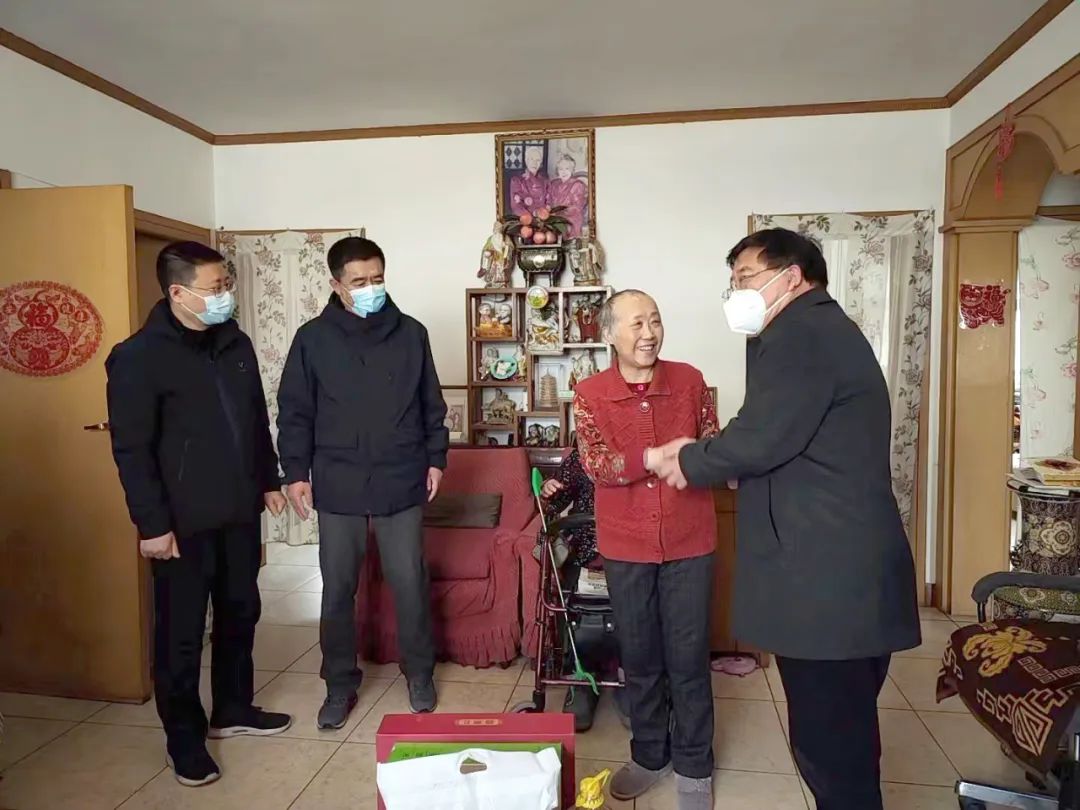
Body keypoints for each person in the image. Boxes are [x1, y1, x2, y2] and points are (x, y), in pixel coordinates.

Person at [646, 228, 922, 810]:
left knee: (832, 750)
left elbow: (761, 438)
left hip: (829, 582)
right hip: (837, 574)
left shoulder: (804, 334)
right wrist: (710, 457)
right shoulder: (812, 331)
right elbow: (770, 430)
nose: (736, 293)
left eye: (745, 278)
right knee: (839, 738)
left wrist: (687, 459)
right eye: (732, 282)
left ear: (791, 276)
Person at [106, 242, 291, 788]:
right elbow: (132, 450)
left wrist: (268, 479)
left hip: (238, 509)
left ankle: (232, 707)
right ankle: (184, 738)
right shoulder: (138, 357)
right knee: (181, 634)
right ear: (178, 293)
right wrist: (152, 524)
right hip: (180, 523)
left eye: (226, 285)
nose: (224, 295)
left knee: (241, 611)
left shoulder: (235, 342)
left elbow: (254, 419)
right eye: (215, 288)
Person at [276, 236, 448, 729]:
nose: (371, 287)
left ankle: (419, 673)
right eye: (359, 281)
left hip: (401, 472)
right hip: (338, 478)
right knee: (337, 587)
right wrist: (296, 473)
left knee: (409, 580)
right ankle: (339, 683)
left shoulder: (411, 334)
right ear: (336, 284)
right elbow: (295, 412)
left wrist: (436, 459)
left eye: (378, 278)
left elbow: (431, 404)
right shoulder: (312, 339)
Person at [573, 290, 719, 810]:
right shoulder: (589, 393)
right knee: (639, 657)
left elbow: (713, 445)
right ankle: (649, 755)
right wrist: (653, 456)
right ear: (609, 333)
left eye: (655, 321)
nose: (649, 333)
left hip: (689, 540)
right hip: (627, 544)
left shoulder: (690, 381)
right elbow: (596, 464)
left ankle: (695, 765)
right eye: (636, 324)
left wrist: (697, 455)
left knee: (688, 657)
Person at [546, 154, 588, 237]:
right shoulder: (553, 183)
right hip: (554, 219)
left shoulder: (578, 185)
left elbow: (577, 208)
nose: (563, 172)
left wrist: (558, 214)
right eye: (561, 169)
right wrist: (548, 208)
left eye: (567, 169)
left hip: (571, 220)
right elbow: (548, 200)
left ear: (572, 170)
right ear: (557, 170)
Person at [510, 144, 549, 217]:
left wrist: (545, 213)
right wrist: (532, 215)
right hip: (524, 219)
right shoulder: (517, 180)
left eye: (538, 160)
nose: (534, 163)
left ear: (541, 162)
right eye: (531, 159)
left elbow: (549, 201)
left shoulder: (545, 181)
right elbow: (516, 206)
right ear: (526, 160)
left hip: (543, 219)